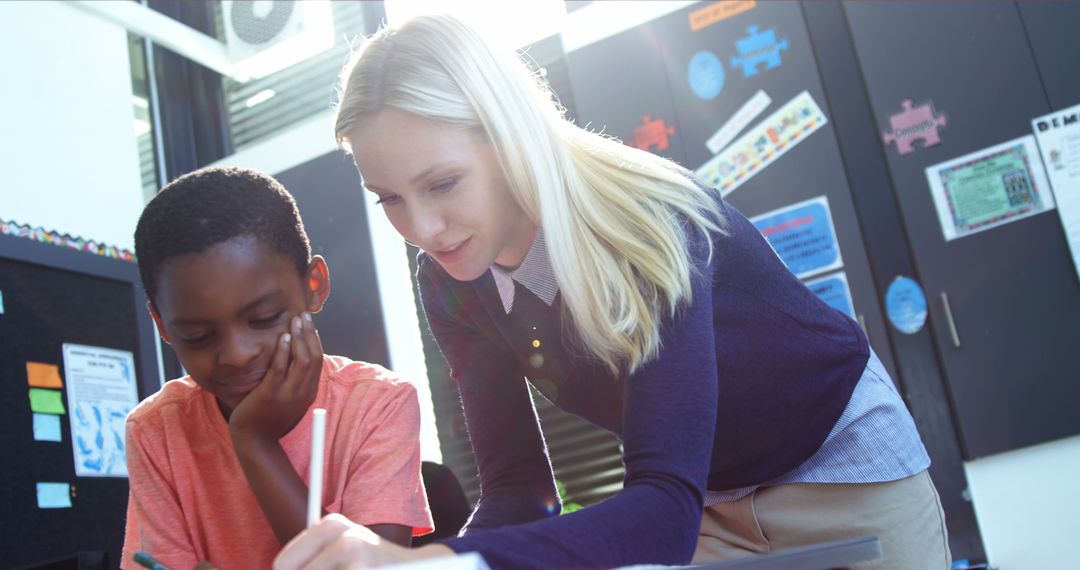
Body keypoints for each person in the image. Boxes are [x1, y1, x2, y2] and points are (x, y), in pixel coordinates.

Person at [276, 14, 950, 570]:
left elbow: (659, 515)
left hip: (840, 474)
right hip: (704, 506)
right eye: (389, 198)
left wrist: (439, 564)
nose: (421, 229)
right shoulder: (450, 285)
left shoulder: (650, 220)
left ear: (511, 138)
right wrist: (437, 562)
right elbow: (519, 490)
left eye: (443, 184)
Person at [122, 167, 433, 570]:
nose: (236, 353)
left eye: (264, 317)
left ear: (314, 286)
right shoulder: (155, 430)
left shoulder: (378, 403)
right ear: (163, 326)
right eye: (199, 336)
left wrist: (254, 440)